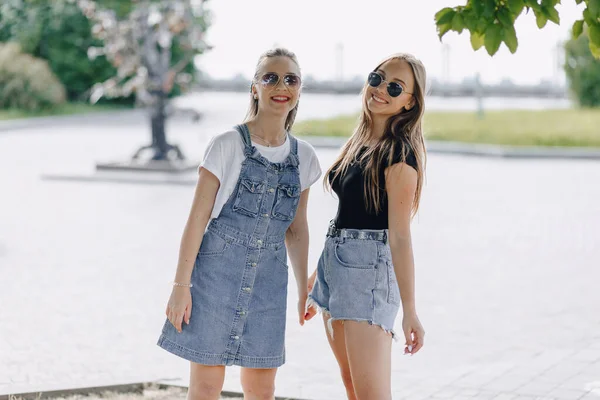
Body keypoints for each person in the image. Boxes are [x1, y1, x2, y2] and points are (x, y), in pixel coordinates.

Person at [157, 47, 321, 400]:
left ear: (298, 90)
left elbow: (296, 229)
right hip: (215, 276)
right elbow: (196, 221)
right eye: (271, 77)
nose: (281, 85)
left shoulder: (304, 156)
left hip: (269, 283)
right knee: (206, 386)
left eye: (290, 79)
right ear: (255, 88)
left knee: (262, 388)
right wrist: (180, 286)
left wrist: (302, 290)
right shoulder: (226, 144)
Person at [307, 53, 427, 400]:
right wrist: (319, 274)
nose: (380, 90)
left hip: (367, 276)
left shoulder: (400, 156)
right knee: (351, 385)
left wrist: (410, 312)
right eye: (377, 78)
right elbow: (348, 214)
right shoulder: (360, 141)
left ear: (410, 102)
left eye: (395, 87)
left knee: (372, 394)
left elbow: (400, 238)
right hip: (336, 270)